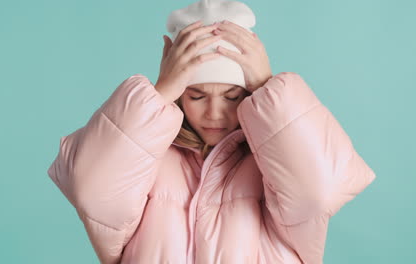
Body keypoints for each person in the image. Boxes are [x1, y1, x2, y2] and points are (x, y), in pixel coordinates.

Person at [47, 1, 376, 263]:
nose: (215, 113)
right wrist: (159, 93)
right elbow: (93, 192)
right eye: (196, 95)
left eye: (232, 96)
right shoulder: (147, 159)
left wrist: (267, 87)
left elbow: (319, 192)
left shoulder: (276, 164)